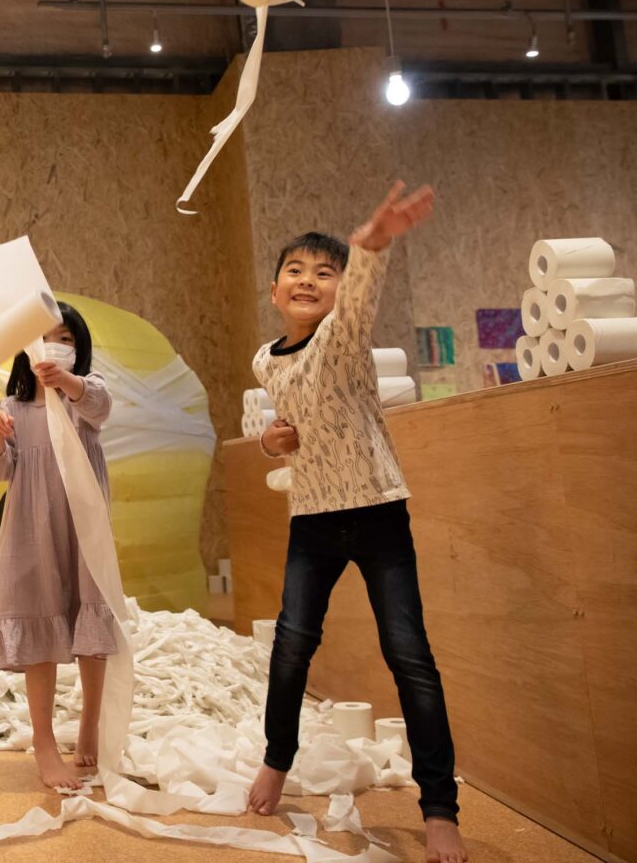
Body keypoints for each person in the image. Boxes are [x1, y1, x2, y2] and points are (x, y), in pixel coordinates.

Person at [246, 182, 466, 863]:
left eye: (325, 273)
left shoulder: (343, 337)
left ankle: (439, 808)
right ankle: (276, 759)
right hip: (312, 517)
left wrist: (371, 243)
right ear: (276, 291)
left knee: (408, 653)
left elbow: (360, 298)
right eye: (296, 271)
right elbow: (285, 424)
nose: (308, 280)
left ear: (340, 293)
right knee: (291, 647)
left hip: (376, 511)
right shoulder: (264, 359)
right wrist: (270, 442)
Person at [0, 302, 115, 791]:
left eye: (66, 339)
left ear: (79, 349)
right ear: (25, 348)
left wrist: (67, 382)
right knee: (39, 626)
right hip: (30, 531)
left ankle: (90, 722)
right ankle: (44, 743)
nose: (55, 346)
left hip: (83, 527)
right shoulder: (11, 409)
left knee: (90, 620)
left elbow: (99, 404)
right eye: (46, 337)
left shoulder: (84, 397)